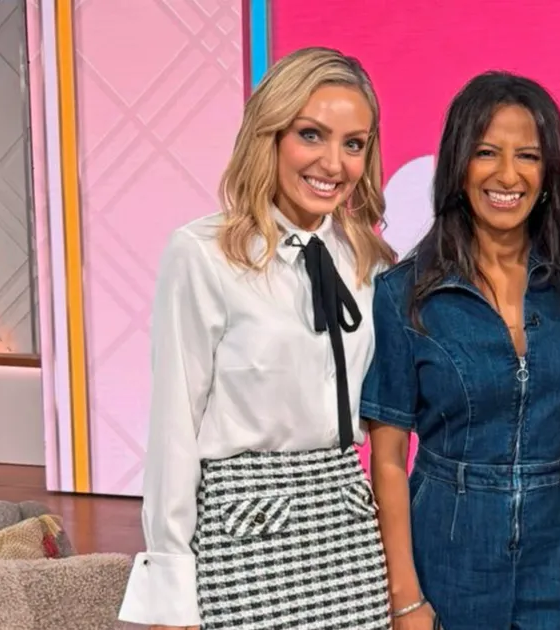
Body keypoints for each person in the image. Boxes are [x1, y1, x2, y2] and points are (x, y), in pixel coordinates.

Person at [117, 47, 396, 630]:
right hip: (242, 526)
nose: (333, 162)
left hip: (346, 522)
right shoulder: (202, 253)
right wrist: (171, 585)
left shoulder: (365, 258)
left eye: (353, 143)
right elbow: (174, 424)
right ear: (270, 135)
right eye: (311, 134)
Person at [359, 71, 560, 630]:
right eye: (486, 153)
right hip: (448, 548)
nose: (506, 175)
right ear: (458, 165)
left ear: (549, 173)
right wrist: (404, 595)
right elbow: (388, 459)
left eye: (527, 155)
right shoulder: (404, 294)